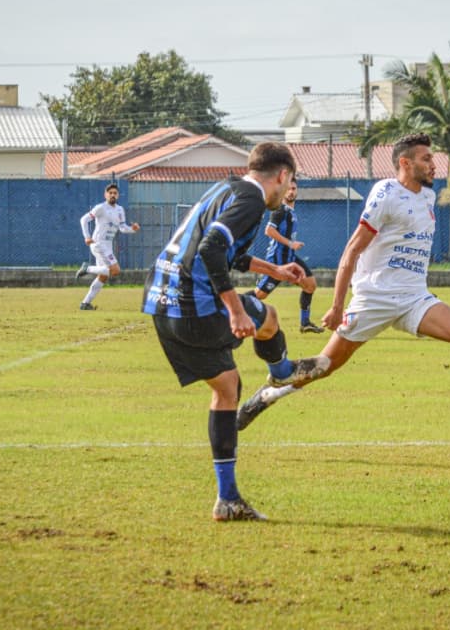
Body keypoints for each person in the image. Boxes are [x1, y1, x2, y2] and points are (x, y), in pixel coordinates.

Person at [235, 133, 450, 434]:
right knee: (322, 368)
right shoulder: (386, 192)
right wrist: (338, 304)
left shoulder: (429, 196)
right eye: (426, 158)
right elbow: (351, 250)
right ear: (405, 163)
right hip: (372, 299)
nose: (433, 164)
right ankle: (265, 396)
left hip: (415, 299)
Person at [143, 142, 330, 522]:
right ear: (282, 176)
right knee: (269, 317)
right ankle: (281, 372)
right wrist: (233, 310)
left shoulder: (226, 188)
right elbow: (212, 250)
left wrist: (274, 271)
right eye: (290, 181)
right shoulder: (253, 200)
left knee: (227, 387)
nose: (287, 190)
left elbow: (227, 252)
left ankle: (227, 499)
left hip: (161, 302)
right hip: (195, 303)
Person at [252, 177, 324, 333]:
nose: (291, 192)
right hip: (278, 260)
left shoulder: (291, 211)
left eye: (294, 189)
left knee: (310, 285)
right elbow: (269, 231)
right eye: (288, 189)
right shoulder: (280, 210)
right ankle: (230, 309)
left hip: (290, 258)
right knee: (260, 294)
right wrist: (291, 244)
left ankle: (305, 324)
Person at [75, 183, 140, 310]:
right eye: (110, 193)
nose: (112, 195)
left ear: (118, 195)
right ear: (105, 195)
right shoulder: (100, 208)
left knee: (104, 276)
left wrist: (133, 229)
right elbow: (84, 220)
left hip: (108, 245)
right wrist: (87, 236)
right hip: (99, 244)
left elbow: (122, 228)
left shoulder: (120, 210)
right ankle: (87, 268)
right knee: (115, 270)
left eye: (115, 193)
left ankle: (85, 303)